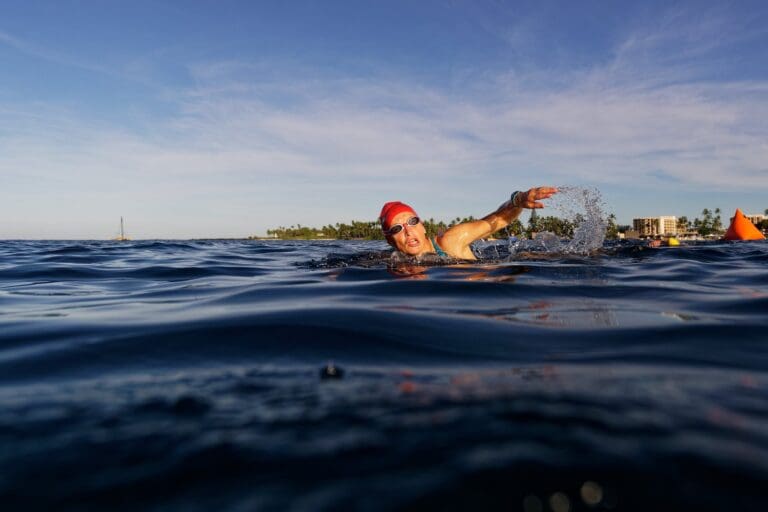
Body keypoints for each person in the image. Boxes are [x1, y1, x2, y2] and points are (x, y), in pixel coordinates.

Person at [379, 187, 558, 260]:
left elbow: (497, 219)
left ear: (422, 225)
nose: (408, 231)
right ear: (389, 241)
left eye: (412, 221)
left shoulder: (450, 241)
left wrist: (518, 199)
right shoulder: (394, 262)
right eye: (397, 228)